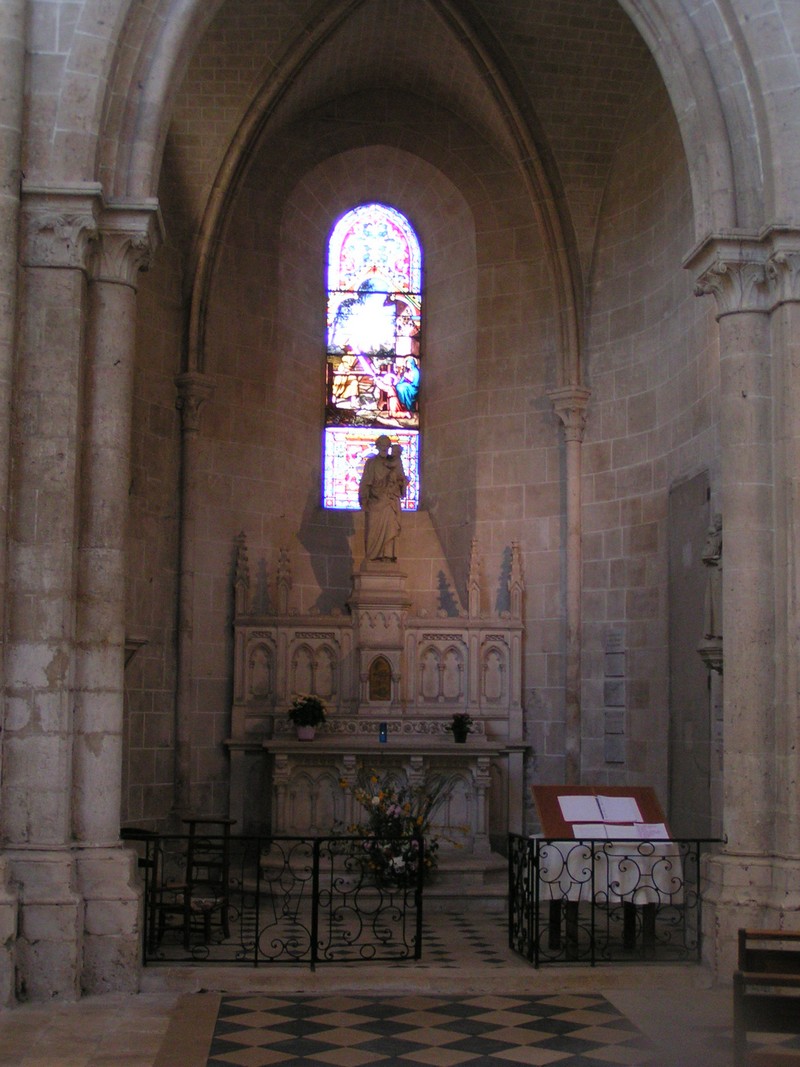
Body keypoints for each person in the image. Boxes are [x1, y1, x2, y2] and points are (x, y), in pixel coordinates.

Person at [358, 435, 408, 562]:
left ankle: (387, 556)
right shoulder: (371, 463)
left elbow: (401, 479)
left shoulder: (396, 462)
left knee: (390, 529)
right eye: (382, 444)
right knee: (373, 531)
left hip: (390, 501)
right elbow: (365, 482)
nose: (384, 447)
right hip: (375, 501)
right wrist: (364, 499)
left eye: (387, 445)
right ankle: (372, 557)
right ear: (377, 446)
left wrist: (402, 482)